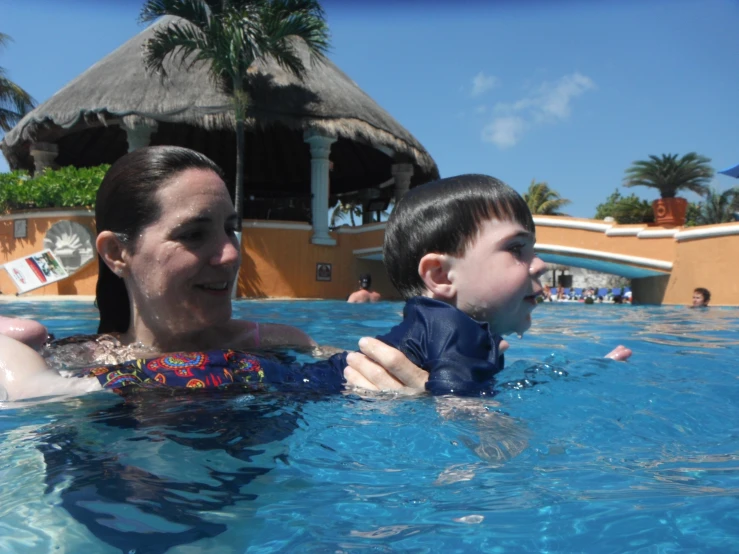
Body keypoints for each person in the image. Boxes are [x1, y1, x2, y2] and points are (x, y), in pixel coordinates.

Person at [0, 146, 401, 400]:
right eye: (193, 234)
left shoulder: (278, 344)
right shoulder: (67, 362)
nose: (229, 255)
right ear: (117, 252)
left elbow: (368, 375)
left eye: (231, 229)